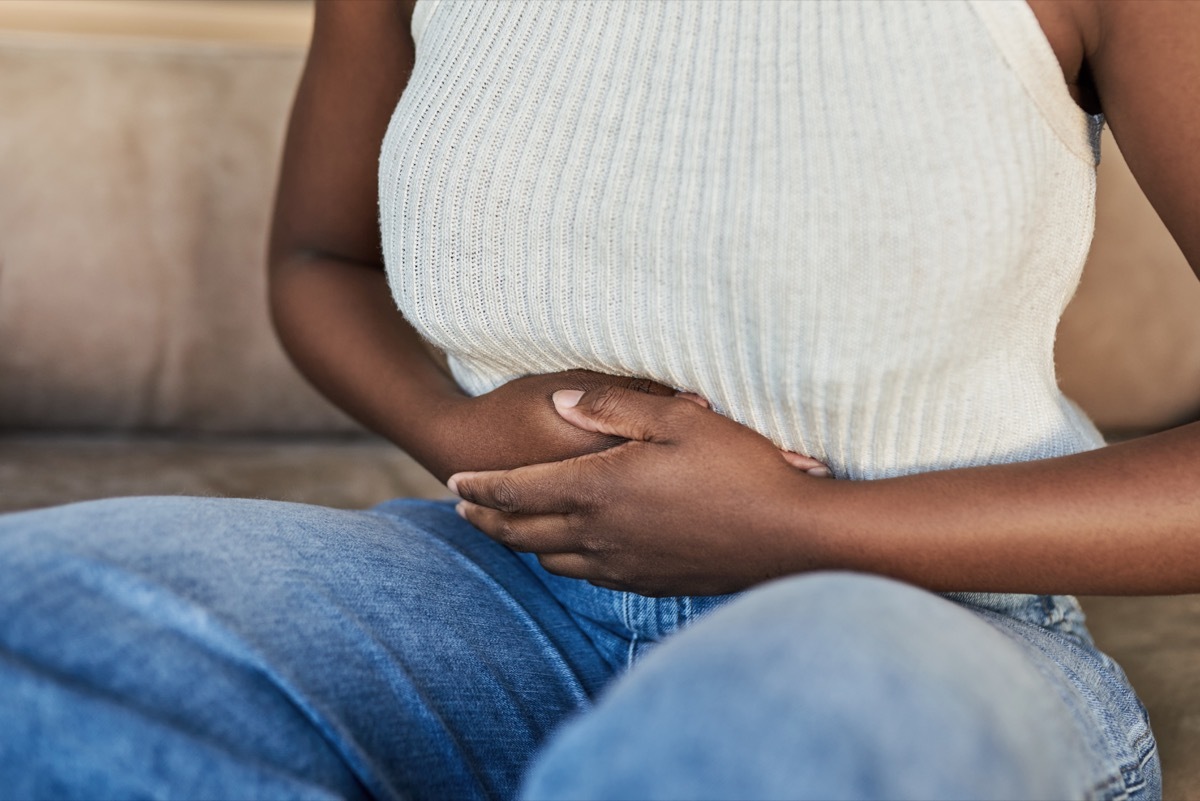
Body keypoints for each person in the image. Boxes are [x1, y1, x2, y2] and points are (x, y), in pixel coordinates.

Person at [2, 0, 1197, 798]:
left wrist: (800, 529)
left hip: (929, 625)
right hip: (505, 599)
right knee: (34, 618)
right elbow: (321, 265)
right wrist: (458, 433)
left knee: (769, 732)